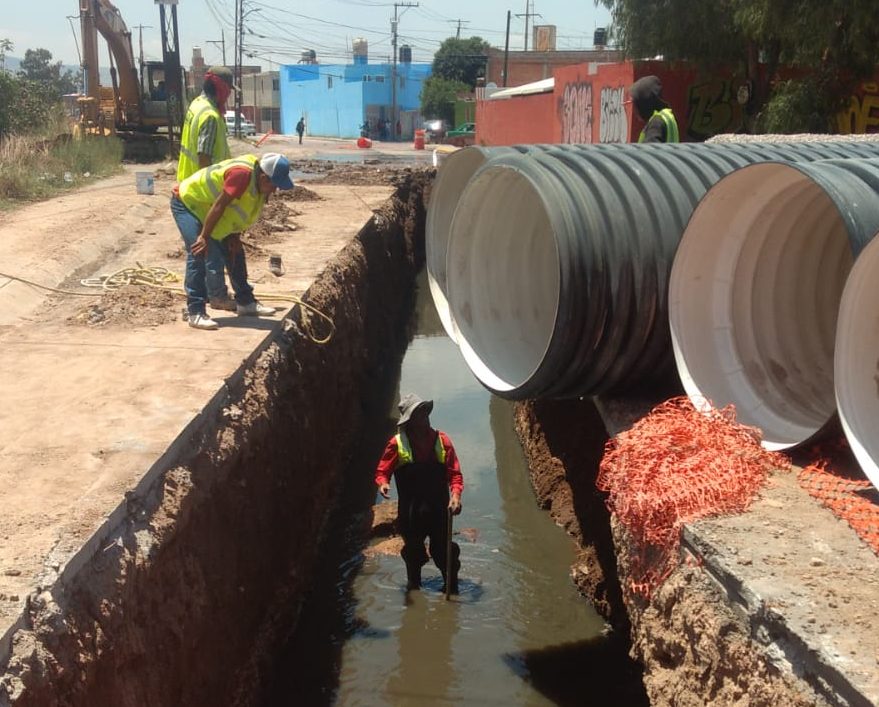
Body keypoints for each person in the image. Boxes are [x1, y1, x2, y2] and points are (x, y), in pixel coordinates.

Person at [170, 152, 294, 330]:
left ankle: (245, 302)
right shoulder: (241, 175)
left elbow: (240, 211)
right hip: (187, 203)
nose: (275, 190)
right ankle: (195, 311)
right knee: (198, 251)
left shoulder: (257, 186)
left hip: (206, 208)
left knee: (234, 251)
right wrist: (204, 237)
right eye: (274, 185)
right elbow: (219, 205)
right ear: (263, 177)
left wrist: (235, 235)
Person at [375, 394, 463, 593]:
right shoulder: (396, 444)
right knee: (413, 554)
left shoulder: (442, 440)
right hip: (411, 513)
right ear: (410, 421)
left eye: (425, 412)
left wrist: (456, 496)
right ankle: (414, 589)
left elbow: (455, 474)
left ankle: (451, 587)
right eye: (418, 414)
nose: (424, 417)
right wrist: (383, 484)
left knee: (443, 553)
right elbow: (383, 471)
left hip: (439, 511)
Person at [178, 66, 237, 313]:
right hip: (202, 193)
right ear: (221, 88)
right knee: (210, 247)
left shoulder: (196, 106)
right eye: (229, 90)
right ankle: (215, 296)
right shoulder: (210, 116)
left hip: (187, 186)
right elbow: (204, 157)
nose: (230, 96)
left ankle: (199, 296)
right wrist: (217, 195)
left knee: (198, 248)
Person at [629, 75, 680, 143]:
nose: (634, 110)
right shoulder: (668, 117)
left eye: (636, 104)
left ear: (644, 103)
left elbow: (650, 151)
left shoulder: (656, 123)